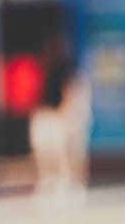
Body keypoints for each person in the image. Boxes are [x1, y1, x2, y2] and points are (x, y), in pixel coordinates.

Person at [29, 28, 91, 206]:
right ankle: (49, 181)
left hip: (62, 115)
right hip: (48, 113)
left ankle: (70, 182)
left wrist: (65, 112)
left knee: (65, 151)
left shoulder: (70, 69)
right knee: (46, 150)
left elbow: (71, 92)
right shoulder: (46, 69)